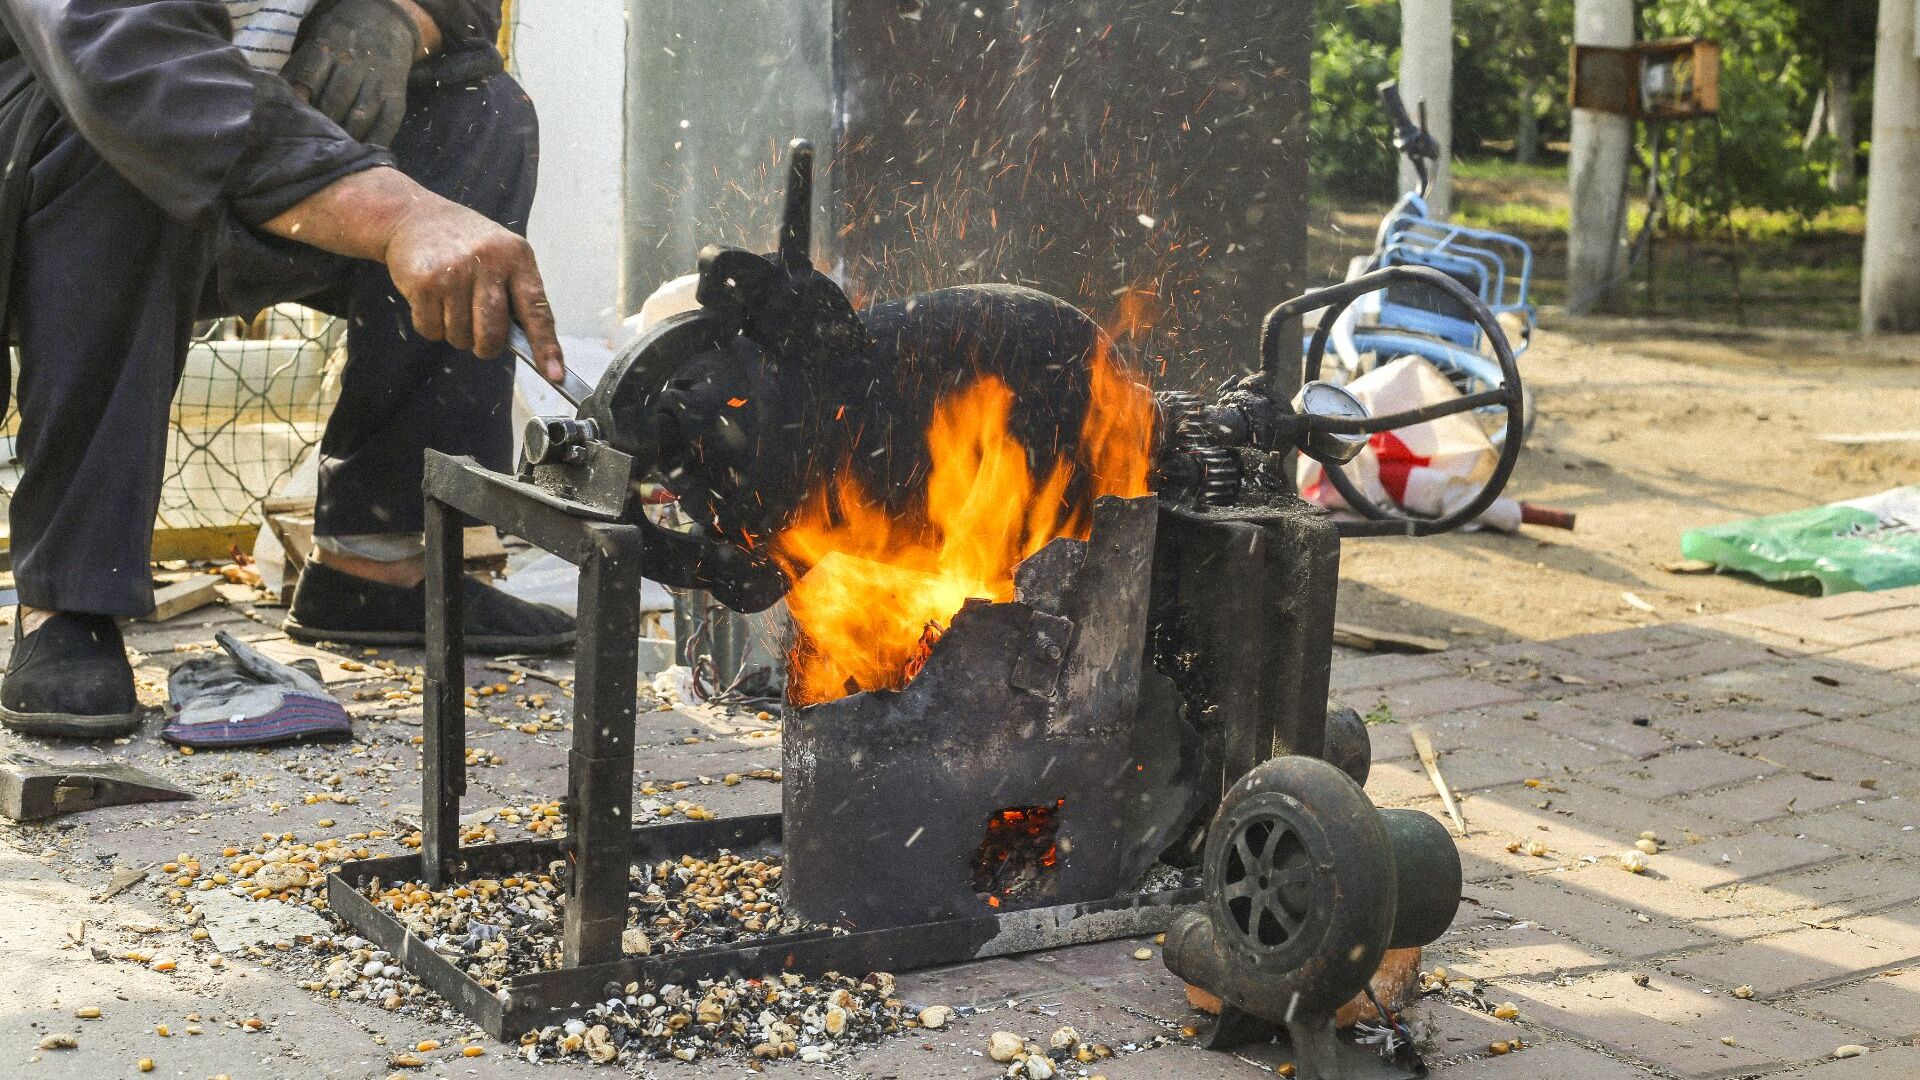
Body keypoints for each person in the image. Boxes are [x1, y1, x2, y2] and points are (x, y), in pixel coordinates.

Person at [0, 0, 576, 739]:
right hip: (61, 163)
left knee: (479, 110)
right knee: (115, 134)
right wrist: (398, 214)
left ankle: (377, 565)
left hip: (266, 152)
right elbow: (125, 56)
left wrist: (404, 17)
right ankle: (67, 598)